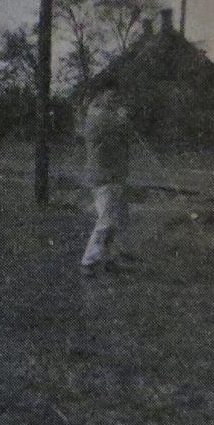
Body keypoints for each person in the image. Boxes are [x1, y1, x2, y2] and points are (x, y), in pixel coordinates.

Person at [80, 77, 132, 276]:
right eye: (111, 95)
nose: (114, 99)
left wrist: (122, 120)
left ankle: (108, 258)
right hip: (102, 176)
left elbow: (124, 135)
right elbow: (111, 129)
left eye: (117, 96)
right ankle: (88, 261)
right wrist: (122, 119)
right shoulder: (96, 114)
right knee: (105, 220)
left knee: (115, 220)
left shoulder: (112, 114)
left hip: (116, 174)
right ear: (101, 94)